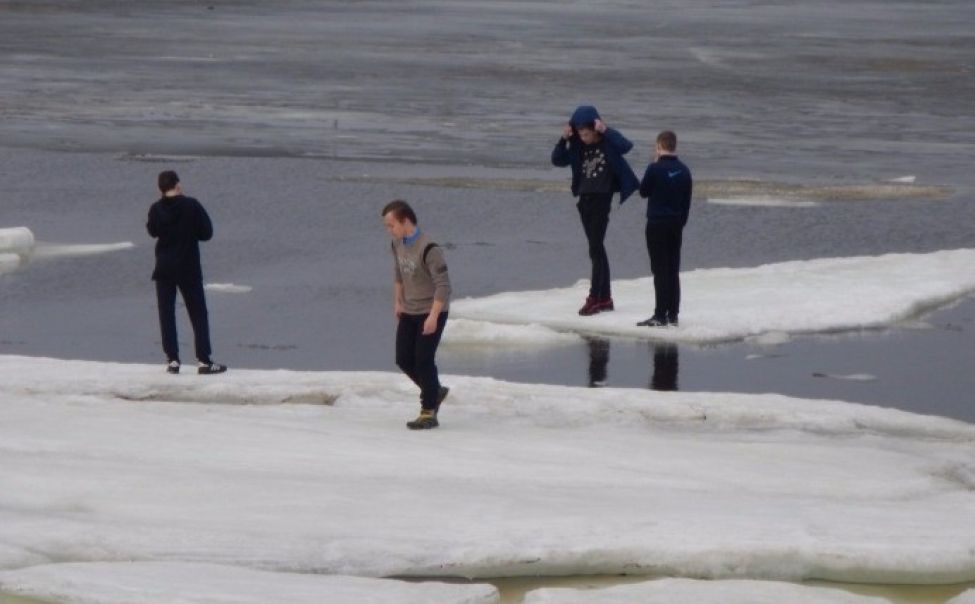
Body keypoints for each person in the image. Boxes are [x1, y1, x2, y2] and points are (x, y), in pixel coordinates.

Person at [551, 105, 640, 316]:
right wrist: (563, 139)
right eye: (580, 134)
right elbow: (556, 159)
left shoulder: (608, 144)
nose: (584, 138)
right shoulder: (577, 148)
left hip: (601, 200)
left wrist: (606, 130)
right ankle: (605, 298)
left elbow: (626, 145)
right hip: (584, 201)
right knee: (597, 249)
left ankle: (594, 297)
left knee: (596, 248)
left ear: (595, 129)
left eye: (587, 134)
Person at [147, 170, 227, 375]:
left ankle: (172, 360)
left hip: (164, 267)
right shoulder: (192, 205)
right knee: (198, 312)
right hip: (188, 267)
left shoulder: (155, 209)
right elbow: (207, 233)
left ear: (160, 189)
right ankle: (203, 361)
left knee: (166, 313)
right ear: (178, 185)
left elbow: (152, 231)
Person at [382, 200, 451, 430]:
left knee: (423, 360)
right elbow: (398, 273)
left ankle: (428, 411)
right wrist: (398, 302)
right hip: (409, 309)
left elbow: (443, 286)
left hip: (432, 311)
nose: (389, 230)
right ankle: (434, 391)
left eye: (391, 225)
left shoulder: (429, 249)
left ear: (405, 221)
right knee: (403, 359)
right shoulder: (397, 244)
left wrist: (433, 317)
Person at [637, 130, 692, 327]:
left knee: (659, 270)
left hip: (657, 223)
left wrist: (655, 162)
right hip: (676, 224)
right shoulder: (685, 170)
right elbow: (687, 202)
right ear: (674, 145)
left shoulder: (654, 168)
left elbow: (643, 192)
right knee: (673, 269)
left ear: (659, 146)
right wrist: (680, 222)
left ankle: (660, 315)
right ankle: (673, 314)